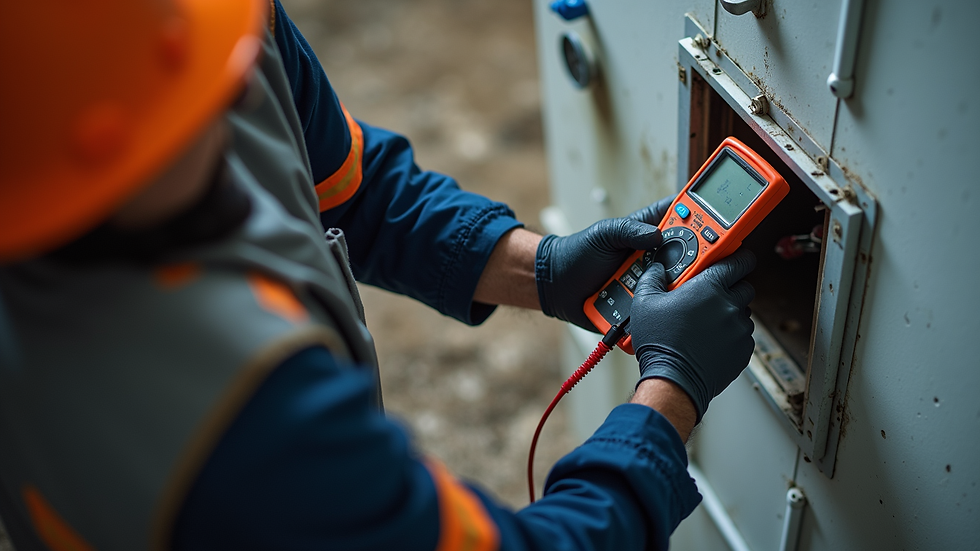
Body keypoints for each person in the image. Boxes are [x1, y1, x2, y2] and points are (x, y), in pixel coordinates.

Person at [0, 1, 756, 550]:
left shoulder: (225, 25)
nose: (237, 89)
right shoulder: (237, 419)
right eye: (202, 94)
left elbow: (354, 190)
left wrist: (543, 268)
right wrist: (669, 395)